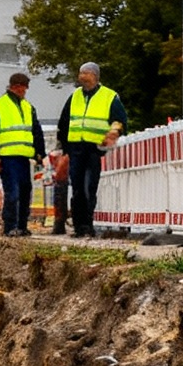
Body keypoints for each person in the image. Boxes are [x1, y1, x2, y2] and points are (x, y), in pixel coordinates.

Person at [61, 62, 123, 237]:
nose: (82, 77)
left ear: (95, 76)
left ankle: (87, 225)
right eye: (80, 73)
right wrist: (65, 149)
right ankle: (79, 226)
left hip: (94, 150)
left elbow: (119, 119)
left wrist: (114, 132)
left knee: (89, 188)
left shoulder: (109, 96)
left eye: (85, 73)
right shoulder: (74, 97)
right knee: (78, 189)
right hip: (76, 149)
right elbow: (64, 123)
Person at [0, 73, 44, 236]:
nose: (25, 91)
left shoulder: (28, 107)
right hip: (7, 158)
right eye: (23, 87)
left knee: (25, 191)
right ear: (16, 86)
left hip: (23, 158)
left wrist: (39, 153)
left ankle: (22, 226)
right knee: (13, 192)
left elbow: (36, 131)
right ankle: (10, 227)